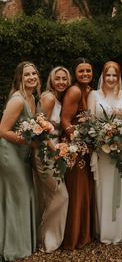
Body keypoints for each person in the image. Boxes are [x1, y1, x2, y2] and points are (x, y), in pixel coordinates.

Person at [0, 61, 40, 261]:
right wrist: (30, 142)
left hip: (22, 153)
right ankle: (13, 248)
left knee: (25, 195)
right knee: (18, 196)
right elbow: (3, 131)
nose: (32, 77)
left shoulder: (32, 97)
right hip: (10, 154)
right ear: (19, 78)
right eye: (27, 75)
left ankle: (24, 242)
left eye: (34, 73)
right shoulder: (17, 100)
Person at [87, 61, 122, 244]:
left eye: (115, 75)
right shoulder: (94, 95)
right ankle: (103, 231)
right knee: (103, 188)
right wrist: (101, 138)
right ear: (102, 76)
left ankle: (119, 232)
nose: (111, 79)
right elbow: (89, 123)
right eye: (108, 75)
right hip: (102, 150)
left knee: (121, 187)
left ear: (119, 77)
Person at [35, 66, 71, 253]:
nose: (61, 82)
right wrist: (54, 148)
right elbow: (39, 128)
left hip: (56, 152)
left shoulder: (60, 98)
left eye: (65, 78)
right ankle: (46, 240)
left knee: (50, 197)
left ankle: (43, 239)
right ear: (51, 80)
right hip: (44, 153)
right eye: (58, 78)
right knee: (61, 196)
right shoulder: (48, 98)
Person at [61, 57, 94, 249]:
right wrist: (79, 143)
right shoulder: (74, 91)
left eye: (88, 71)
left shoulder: (88, 91)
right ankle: (73, 237)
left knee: (85, 189)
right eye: (81, 71)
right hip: (74, 148)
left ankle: (84, 233)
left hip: (85, 147)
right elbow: (65, 121)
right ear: (75, 73)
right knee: (77, 190)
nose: (85, 74)